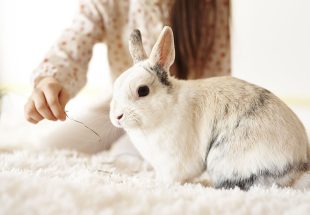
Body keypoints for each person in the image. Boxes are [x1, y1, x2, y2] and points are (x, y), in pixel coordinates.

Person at [24, 0, 230, 153]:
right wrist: (51, 78)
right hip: (120, 105)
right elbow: (74, 41)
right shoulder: (108, 4)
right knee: (51, 145)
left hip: (185, 114)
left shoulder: (214, 7)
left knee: (127, 154)